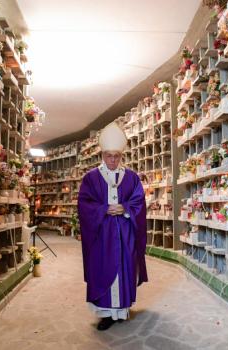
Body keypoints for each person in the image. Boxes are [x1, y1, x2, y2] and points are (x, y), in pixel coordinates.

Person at [77, 122, 148, 331]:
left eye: (117, 156)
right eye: (109, 156)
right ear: (102, 155)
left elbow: (139, 203)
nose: (113, 160)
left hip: (125, 233)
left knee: (124, 268)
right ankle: (106, 314)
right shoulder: (91, 178)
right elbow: (84, 204)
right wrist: (104, 210)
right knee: (103, 268)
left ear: (121, 156)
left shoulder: (132, 177)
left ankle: (121, 310)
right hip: (102, 234)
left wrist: (125, 208)